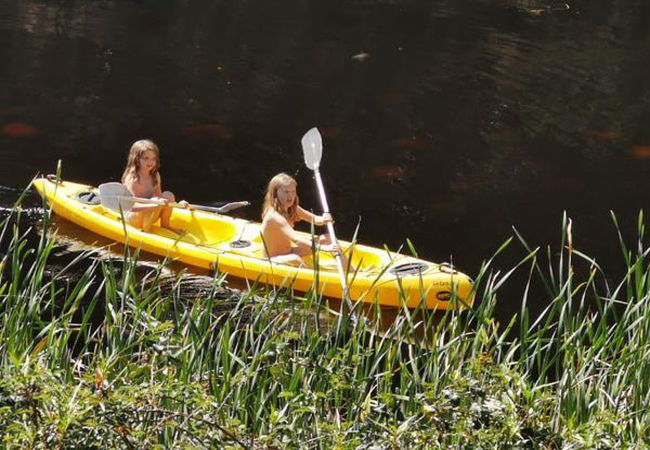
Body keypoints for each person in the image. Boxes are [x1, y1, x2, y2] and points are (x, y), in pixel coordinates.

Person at [260, 172, 341, 266]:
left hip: (289, 251)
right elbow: (296, 239)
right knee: (295, 259)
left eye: (293, 191)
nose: (290, 196)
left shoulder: (292, 208)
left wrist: (324, 219)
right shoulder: (273, 216)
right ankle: (310, 274)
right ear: (275, 193)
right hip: (272, 258)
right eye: (286, 192)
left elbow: (315, 219)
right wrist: (323, 248)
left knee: (328, 238)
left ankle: (349, 270)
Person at [121, 139, 188, 233]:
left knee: (168, 195)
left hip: (149, 213)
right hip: (134, 218)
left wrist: (178, 205)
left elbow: (160, 197)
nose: (150, 162)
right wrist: (153, 205)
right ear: (136, 158)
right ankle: (145, 231)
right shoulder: (133, 179)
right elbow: (131, 206)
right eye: (146, 158)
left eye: (153, 159)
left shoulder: (155, 175)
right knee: (156, 200)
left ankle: (165, 225)